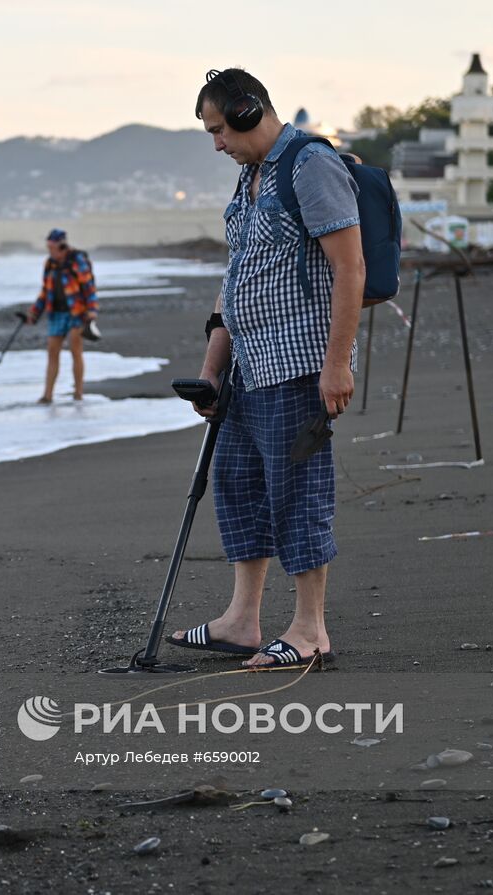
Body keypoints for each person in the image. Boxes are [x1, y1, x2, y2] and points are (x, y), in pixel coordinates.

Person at [167, 68, 364, 669]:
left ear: (251, 112)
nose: (217, 142)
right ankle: (242, 621)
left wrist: (337, 364)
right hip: (249, 369)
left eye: (221, 128)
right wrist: (212, 371)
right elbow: (235, 281)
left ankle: (310, 632)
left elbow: (349, 269)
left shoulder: (311, 166)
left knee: (297, 495)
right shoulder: (250, 180)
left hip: (299, 366)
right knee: (237, 489)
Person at [26, 229, 98, 403]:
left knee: (75, 351)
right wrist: (34, 312)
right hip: (55, 313)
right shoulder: (49, 264)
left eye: (52, 247)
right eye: (48, 247)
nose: (50, 250)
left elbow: (89, 286)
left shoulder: (77, 261)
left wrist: (92, 310)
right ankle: (47, 395)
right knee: (52, 352)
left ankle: (78, 393)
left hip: (77, 312)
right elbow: (45, 291)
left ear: (62, 245)